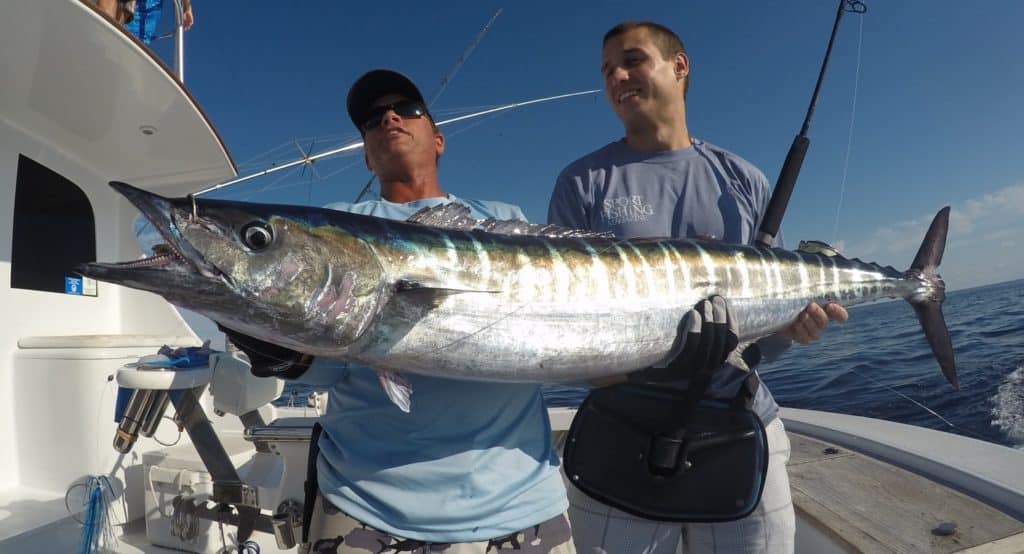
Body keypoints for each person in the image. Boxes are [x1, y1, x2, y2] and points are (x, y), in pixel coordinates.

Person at [222, 70, 574, 554]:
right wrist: (283, 351)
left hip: (518, 510)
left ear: (439, 139)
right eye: (372, 119)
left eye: (407, 109)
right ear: (367, 155)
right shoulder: (339, 226)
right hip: (366, 508)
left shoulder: (503, 219)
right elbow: (325, 371)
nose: (389, 117)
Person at [548, 21, 848, 553]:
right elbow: (574, 324)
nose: (617, 76)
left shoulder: (743, 179)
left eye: (633, 60)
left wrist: (796, 328)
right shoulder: (583, 182)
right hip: (624, 429)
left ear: (679, 66)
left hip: (740, 419)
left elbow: (765, 323)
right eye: (607, 71)